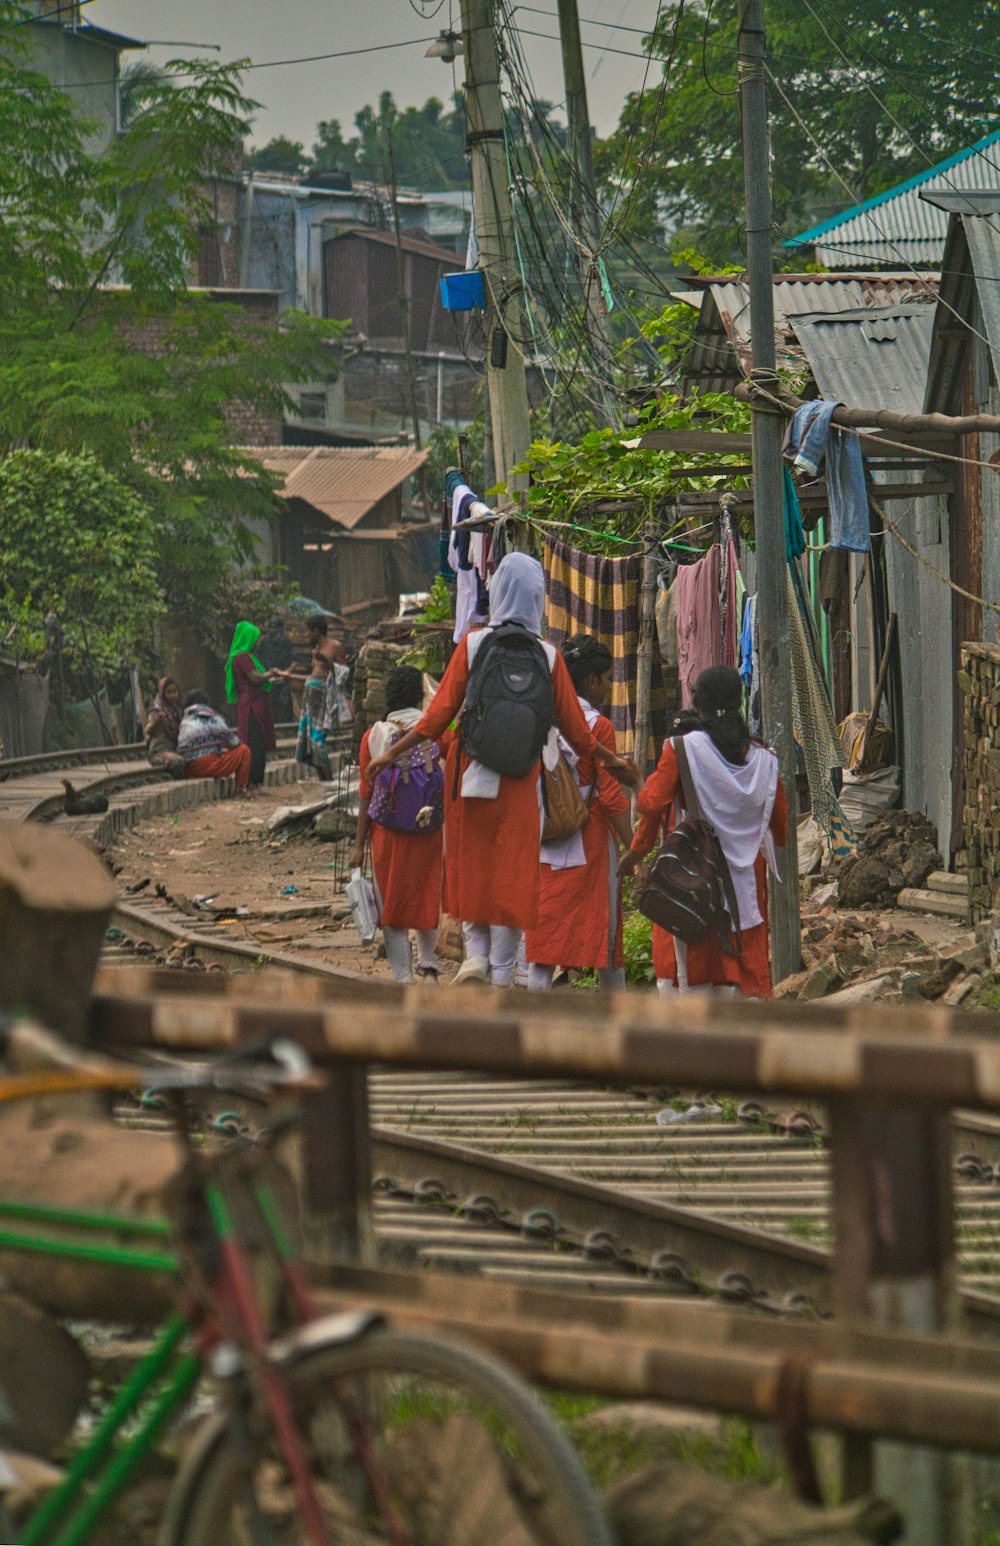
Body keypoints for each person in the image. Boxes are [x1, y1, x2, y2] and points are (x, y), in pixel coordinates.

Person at [366, 553, 640, 987]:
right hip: (521, 782)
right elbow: (578, 733)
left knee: (472, 866)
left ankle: (474, 955)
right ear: (537, 598)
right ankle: (501, 972)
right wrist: (614, 763)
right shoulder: (548, 656)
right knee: (513, 876)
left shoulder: (473, 645)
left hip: (470, 776)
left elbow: (437, 717)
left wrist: (390, 752)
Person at [619, 666, 788, 999]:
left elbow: (651, 804)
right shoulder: (764, 759)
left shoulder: (682, 749)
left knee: (697, 968)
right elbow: (780, 832)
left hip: (694, 874)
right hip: (747, 882)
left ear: (698, 703)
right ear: (740, 701)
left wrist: (637, 781)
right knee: (746, 968)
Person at [524, 636, 634, 993]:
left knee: (542, 942)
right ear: (591, 682)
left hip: (541, 838)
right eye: (607, 679)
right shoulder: (597, 726)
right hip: (590, 843)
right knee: (607, 938)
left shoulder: (540, 717)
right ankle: (615, 1019)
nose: (609, 687)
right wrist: (635, 848)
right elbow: (612, 795)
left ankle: (534, 1019)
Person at [350, 664, 444, 984]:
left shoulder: (373, 737)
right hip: (429, 829)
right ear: (420, 696)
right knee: (426, 894)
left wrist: (359, 845)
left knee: (392, 906)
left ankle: (403, 980)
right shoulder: (436, 730)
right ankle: (429, 965)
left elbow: (366, 794)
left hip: (386, 834)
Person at [274, 614, 344, 782]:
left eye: (307, 631)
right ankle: (323, 782)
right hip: (310, 699)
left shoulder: (335, 646)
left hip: (323, 697)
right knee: (310, 744)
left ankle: (328, 784)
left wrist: (327, 662)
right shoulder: (316, 650)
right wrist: (287, 675)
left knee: (318, 742)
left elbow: (343, 674)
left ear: (316, 631)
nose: (305, 634)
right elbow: (312, 677)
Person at [225, 620, 276, 790]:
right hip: (251, 707)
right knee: (254, 744)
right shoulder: (242, 657)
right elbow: (255, 678)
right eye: (255, 638)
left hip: (258, 705)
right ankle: (252, 783)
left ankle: (256, 782)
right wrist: (271, 673)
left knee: (259, 745)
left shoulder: (249, 657)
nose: (258, 642)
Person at [177, 689, 252, 791]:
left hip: (190, 769)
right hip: (208, 766)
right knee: (244, 751)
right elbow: (234, 742)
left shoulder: (185, 720)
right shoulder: (213, 718)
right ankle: (239, 790)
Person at [144, 675, 185, 778]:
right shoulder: (157, 710)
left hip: (174, 749)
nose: (173, 695)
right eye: (169, 692)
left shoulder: (177, 710)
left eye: (175, 691)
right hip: (159, 752)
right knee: (178, 762)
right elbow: (147, 730)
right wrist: (156, 722)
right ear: (163, 693)